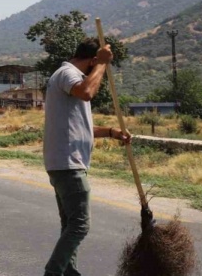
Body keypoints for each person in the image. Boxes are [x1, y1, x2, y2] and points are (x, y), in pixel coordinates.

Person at [43, 38, 130, 276]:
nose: (101, 71)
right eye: (98, 65)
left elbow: (81, 128)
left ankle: (69, 272)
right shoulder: (68, 74)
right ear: (92, 60)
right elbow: (87, 92)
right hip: (68, 164)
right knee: (80, 225)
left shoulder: (69, 79)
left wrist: (112, 133)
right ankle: (52, 272)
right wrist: (103, 64)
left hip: (65, 162)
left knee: (70, 225)